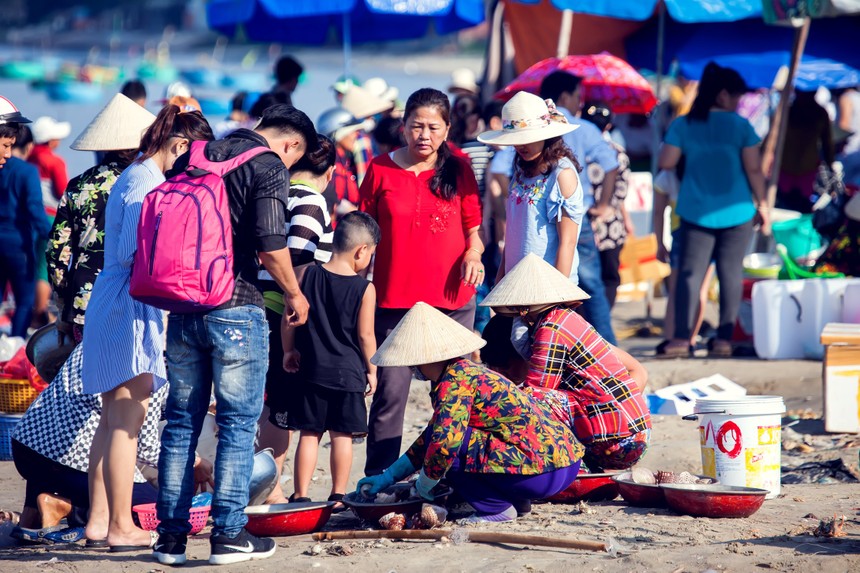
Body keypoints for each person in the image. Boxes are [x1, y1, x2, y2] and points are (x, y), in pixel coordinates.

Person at [155, 104, 318, 566]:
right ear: (290, 145)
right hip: (236, 306)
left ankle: (170, 540)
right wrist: (294, 295)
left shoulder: (195, 154)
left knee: (181, 424)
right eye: (293, 160)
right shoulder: (267, 165)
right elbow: (270, 244)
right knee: (237, 425)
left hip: (184, 307)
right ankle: (228, 535)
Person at [81, 104, 214, 552]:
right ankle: (120, 524)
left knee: (112, 417)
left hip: (113, 298)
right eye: (190, 157)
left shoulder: (134, 174)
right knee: (127, 419)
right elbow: (138, 253)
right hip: (129, 303)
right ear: (179, 146)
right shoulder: (146, 183)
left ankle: (100, 521)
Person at [356, 302, 583, 523]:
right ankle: (517, 502)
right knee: (449, 441)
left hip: (542, 474)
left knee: (448, 450)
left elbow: (443, 444)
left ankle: (496, 509)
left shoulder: (454, 382)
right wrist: (389, 476)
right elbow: (432, 434)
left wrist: (423, 485)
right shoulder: (465, 373)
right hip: (565, 464)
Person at [359, 87, 484, 476]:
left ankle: (455, 474)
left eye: (433, 127)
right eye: (417, 126)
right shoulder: (380, 168)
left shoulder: (459, 167)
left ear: (447, 129)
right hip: (394, 299)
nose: (424, 135)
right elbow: (362, 235)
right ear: (403, 127)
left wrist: (474, 255)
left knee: (452, 396)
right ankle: (377, 480)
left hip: (451, 297)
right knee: (389, 395)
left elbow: (473, 230)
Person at [481, 254, 650, 471]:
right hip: (633, 434)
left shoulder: (550, 328)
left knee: (533, 400)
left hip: (619, 441)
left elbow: (536, 395)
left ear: (526, 307)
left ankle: (570, 467)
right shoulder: (568, 319)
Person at [10, 346, 176, 545]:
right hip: (66, 462)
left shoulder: (95, 334)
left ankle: (32, 513)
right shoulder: (148, 358)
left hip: (24, 448)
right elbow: (144, 446)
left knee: (60, 432)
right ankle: (66, 507)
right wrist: (190, 464)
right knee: (155, 506)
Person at [658, 62, 769, 359]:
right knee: (731, 274)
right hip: (738, 212)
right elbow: (755, 170)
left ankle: (681, 340)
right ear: (722, 95)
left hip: (696, 211)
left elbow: (666, 161)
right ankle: (723, 340)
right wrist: (763, 204)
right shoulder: (741, 126)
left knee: (690, 276)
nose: (737, 103)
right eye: (735, 97)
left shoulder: (684, 124)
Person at [257, 134, 336, 504]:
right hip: (281, 311)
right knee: (279, 408)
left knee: (260, 403)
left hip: (253, 305)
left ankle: (256, 483)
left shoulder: (275, 191)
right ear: (331, 172)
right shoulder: (312, 200)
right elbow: (299, 258)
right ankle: (269, 489)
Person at [284, 212, 380, 510]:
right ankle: (338, 496)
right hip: (348, 374)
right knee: (342, 436)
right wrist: (372, 370)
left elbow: (288, 320)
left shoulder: (306, 275)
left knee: (310, 434)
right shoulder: (365, 289)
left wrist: (289, 351)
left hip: (311, 370)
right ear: (361, 251)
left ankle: (300, 495)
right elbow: (365, 335)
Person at [47, 94, 157, 342]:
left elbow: (57, 249)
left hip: (85, 297)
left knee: (86, 373)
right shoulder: (145, 184)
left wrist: (64, 294)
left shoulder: (78, 184)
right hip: (133, 297)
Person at [539, 71, 619, 345]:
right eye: (578, 96)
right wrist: (604, 205)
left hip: (537, 219)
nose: (580, 103)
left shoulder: (533, 127)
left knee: (543, 288)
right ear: (564, 96)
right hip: (577, 217)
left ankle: (554, 346)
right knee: (590, 285)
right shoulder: (584, 128)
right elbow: (611, 165)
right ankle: (608, 348)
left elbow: (499, 172)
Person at [477, 91, 583, 284]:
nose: (520, 145)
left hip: (548, 287)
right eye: (516, 139)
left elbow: (567, 242)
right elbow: (512, 238)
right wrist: (501, 283)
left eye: (527, 138)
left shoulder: (562, 173)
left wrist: (556, 296)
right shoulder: (520, 171)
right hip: (516, 286)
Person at [0, 100, 50, 338]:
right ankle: (17, 341)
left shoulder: (3, 167)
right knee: (23, 300)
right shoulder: (28, 172)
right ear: (28, 146)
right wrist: (51, 236)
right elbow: (35, 211)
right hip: (18, 244)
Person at [582, 102, 633, 308]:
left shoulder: (576, 150)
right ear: (609, 126)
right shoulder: (617, 152)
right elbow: (621, 190)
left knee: (586, 279)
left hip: (582, 221)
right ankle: (603, 324)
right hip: (610, 224)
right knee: (609, 277)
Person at [777, 90, 835, 213]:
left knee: (786, 207)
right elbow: (827, 144)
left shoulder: (788, 111)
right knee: (797, 207)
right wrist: (830, 165)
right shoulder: (787, 111)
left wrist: (830, 165)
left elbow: (827, 144)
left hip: (794, 167)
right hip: (798, 167)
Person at [316, 107, 366, 218]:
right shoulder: (332, 162)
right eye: (352, 131)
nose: (356, 135)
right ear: (339, 133)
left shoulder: (345, 161)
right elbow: (333, 201)